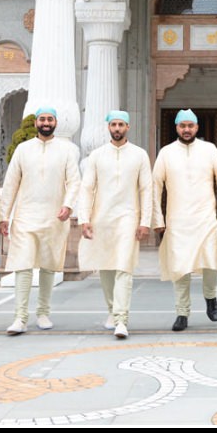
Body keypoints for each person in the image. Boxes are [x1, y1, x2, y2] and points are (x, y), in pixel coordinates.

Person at [0, 107, 81, 336]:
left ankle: (43, 312)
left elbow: (74, 181)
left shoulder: (65, 151)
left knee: (48, 265)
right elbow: (11, 182)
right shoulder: (24, 150)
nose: (46, 122)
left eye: (50, 119)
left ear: (55, 122)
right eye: (42, 119)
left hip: (54, 217)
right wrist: (4, 215)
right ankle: (20, 317)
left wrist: (68, 205)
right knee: (22, 265)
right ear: (36, 123)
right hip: (25, 216)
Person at [152, 109, 217, 331]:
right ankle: (182, 312)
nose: (187, 129)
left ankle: (210, 296)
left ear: (197, 128)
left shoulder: (209, 150)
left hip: (205, 216)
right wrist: (157, 218)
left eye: (190, 126)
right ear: (177, 128)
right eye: (182, 126)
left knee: (211, 261)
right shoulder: (166, 153)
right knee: (180, 267)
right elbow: (155, 186)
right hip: (177, 220)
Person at [78, 111, 153, 340]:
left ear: (128, 127)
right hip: (102, 218)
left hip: (128, 218)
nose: (117, 128)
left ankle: (122, 319)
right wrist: (84, 218)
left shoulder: (140, 155)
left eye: (121, 124)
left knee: (124, 267)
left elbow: (146, 189)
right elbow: (87, 187)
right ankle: (112, 310)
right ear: (108, 127)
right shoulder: (97, 156)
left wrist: (145, 222)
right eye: (113, 124)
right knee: (107, 267)